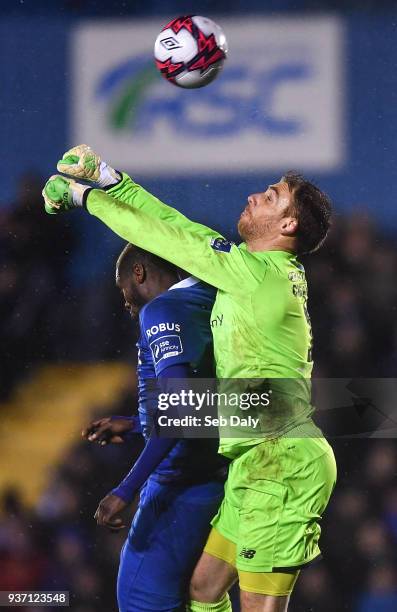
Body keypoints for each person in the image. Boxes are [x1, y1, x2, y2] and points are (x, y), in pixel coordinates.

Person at [43, 144, 337, 612]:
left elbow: (167, 241)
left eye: (272, 195)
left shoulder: (255, 276)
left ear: (288, 225)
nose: (255, 195)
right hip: (255, 459)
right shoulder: (253, 270)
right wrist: (110, 178)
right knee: (203, 590)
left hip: (281, 466)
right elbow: (181, 229)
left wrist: (85, 198)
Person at [82, 242, 227, 612]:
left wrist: (125, 489)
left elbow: (180, 410)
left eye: (122, 288)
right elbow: (203, 399)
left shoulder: (161, 309)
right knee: (199, 597)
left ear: (139, 273)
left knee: (140, 602)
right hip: (216, 477)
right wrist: (136, 424)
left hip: (178, 486)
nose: (125, 301)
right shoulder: (209, 297)